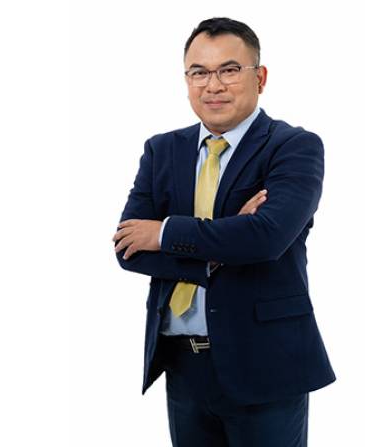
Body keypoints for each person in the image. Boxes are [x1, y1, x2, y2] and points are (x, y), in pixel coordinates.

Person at [113, 17, 335, 447]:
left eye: (229, 70)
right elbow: (128, 248)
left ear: (260, 77)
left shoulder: (293, 146)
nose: (213, 85)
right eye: (199, 72)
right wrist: (226, 241)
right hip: (182, 365)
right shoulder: (162, 149)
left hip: (266, 363)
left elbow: (267, 238)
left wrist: (165, 233)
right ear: (187, 80)